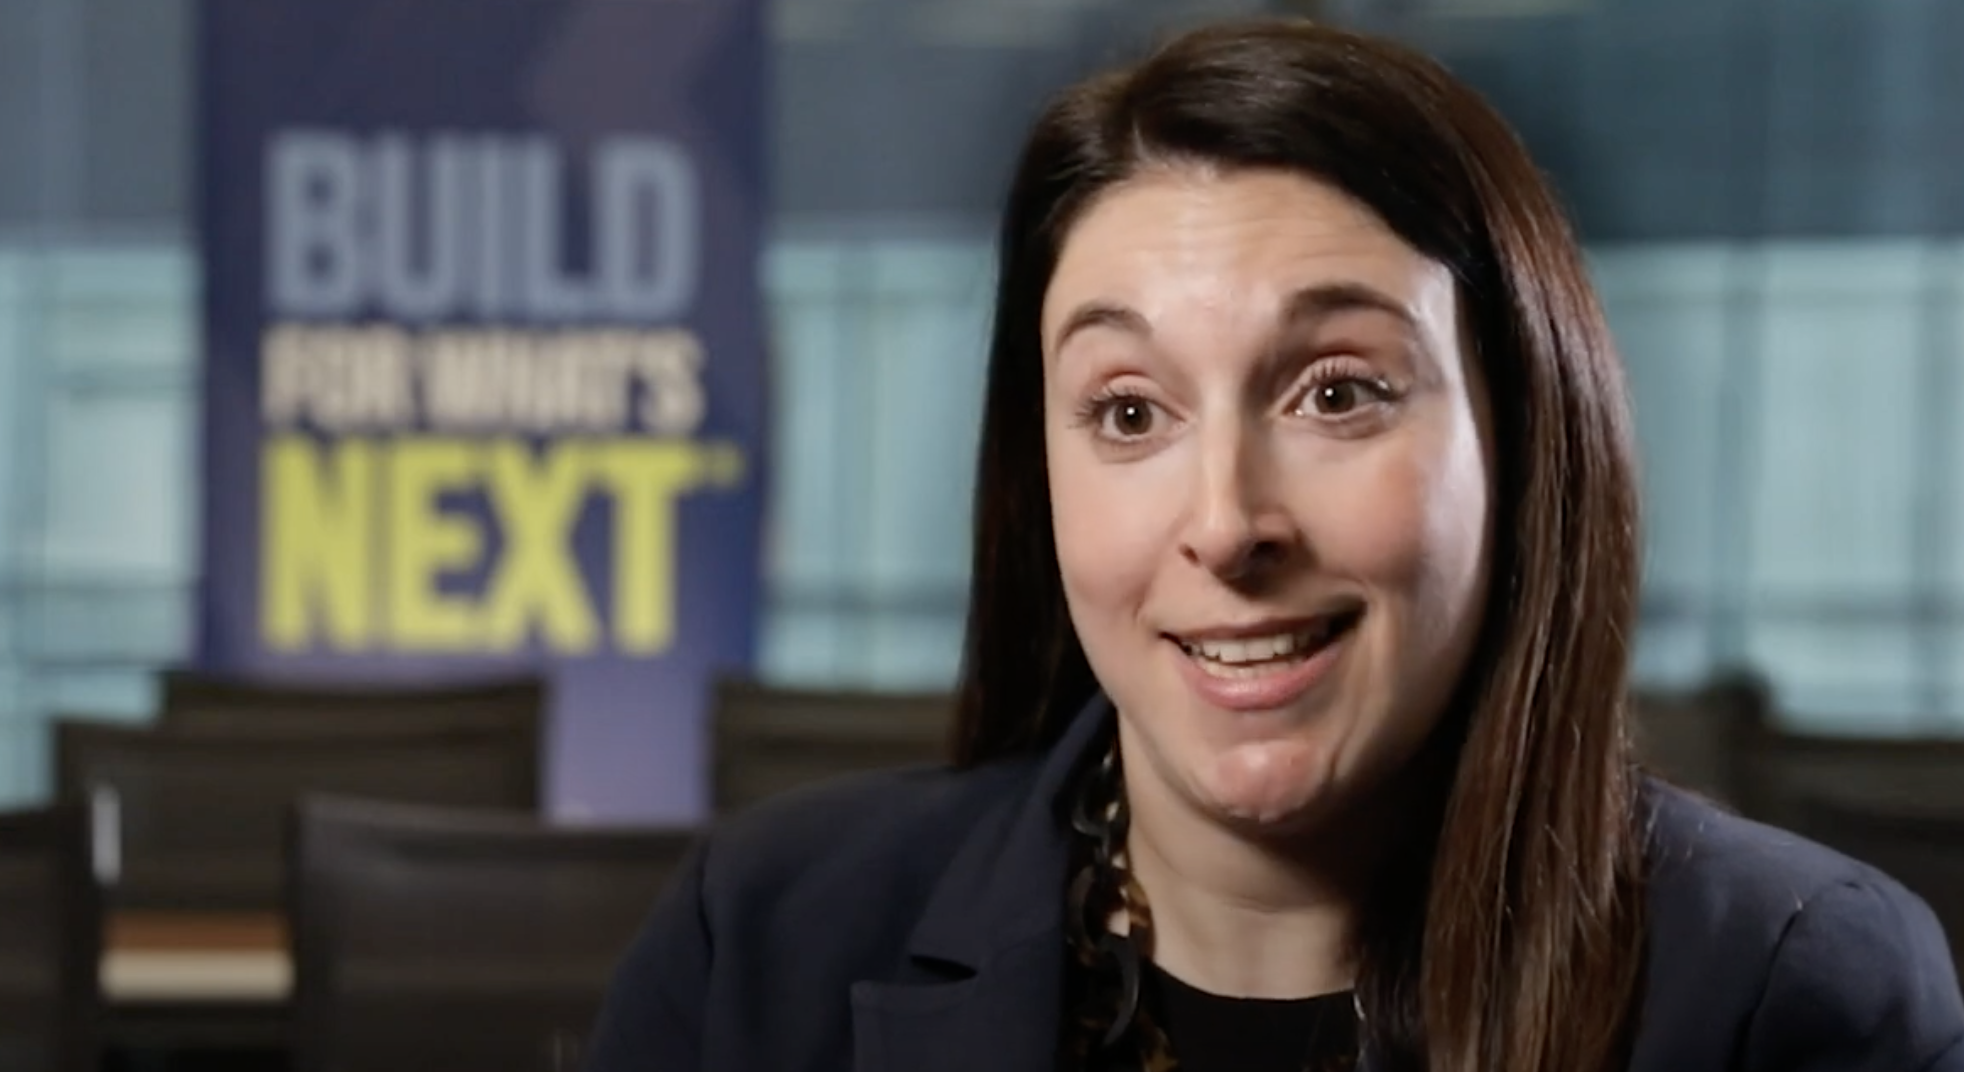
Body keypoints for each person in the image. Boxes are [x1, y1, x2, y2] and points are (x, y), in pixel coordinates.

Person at [582, 18, 1964, 1072]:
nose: (1229, 522)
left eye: (1338, 392)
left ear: (1525, 440)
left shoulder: (1792, 989)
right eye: (1129, 410)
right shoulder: (760, 946)